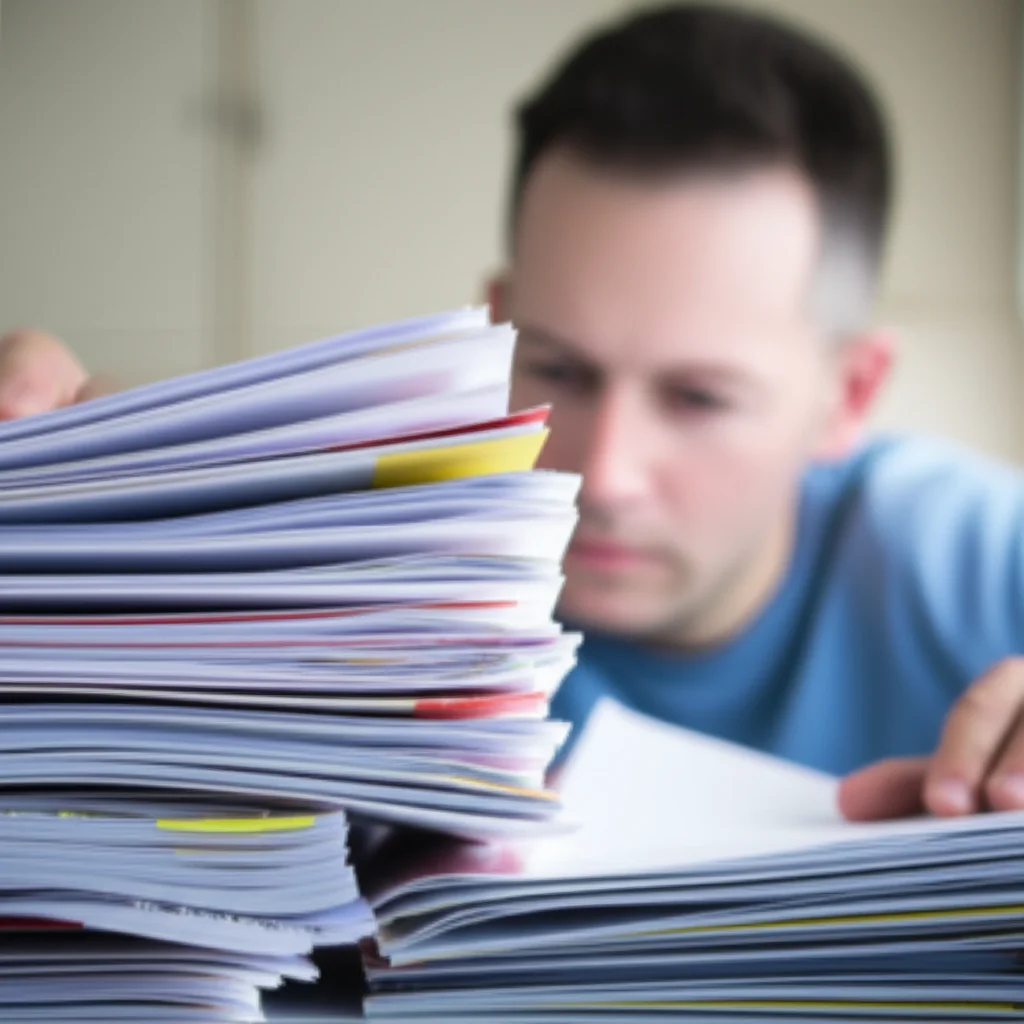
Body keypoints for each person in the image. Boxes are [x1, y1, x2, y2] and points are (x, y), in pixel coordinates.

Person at [2, 4, 1022, 824]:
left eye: (699, 396)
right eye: (560, 367)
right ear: (493, 328)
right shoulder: (365, 552)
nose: (605, 473)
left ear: (845, 396)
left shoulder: (976, 560)